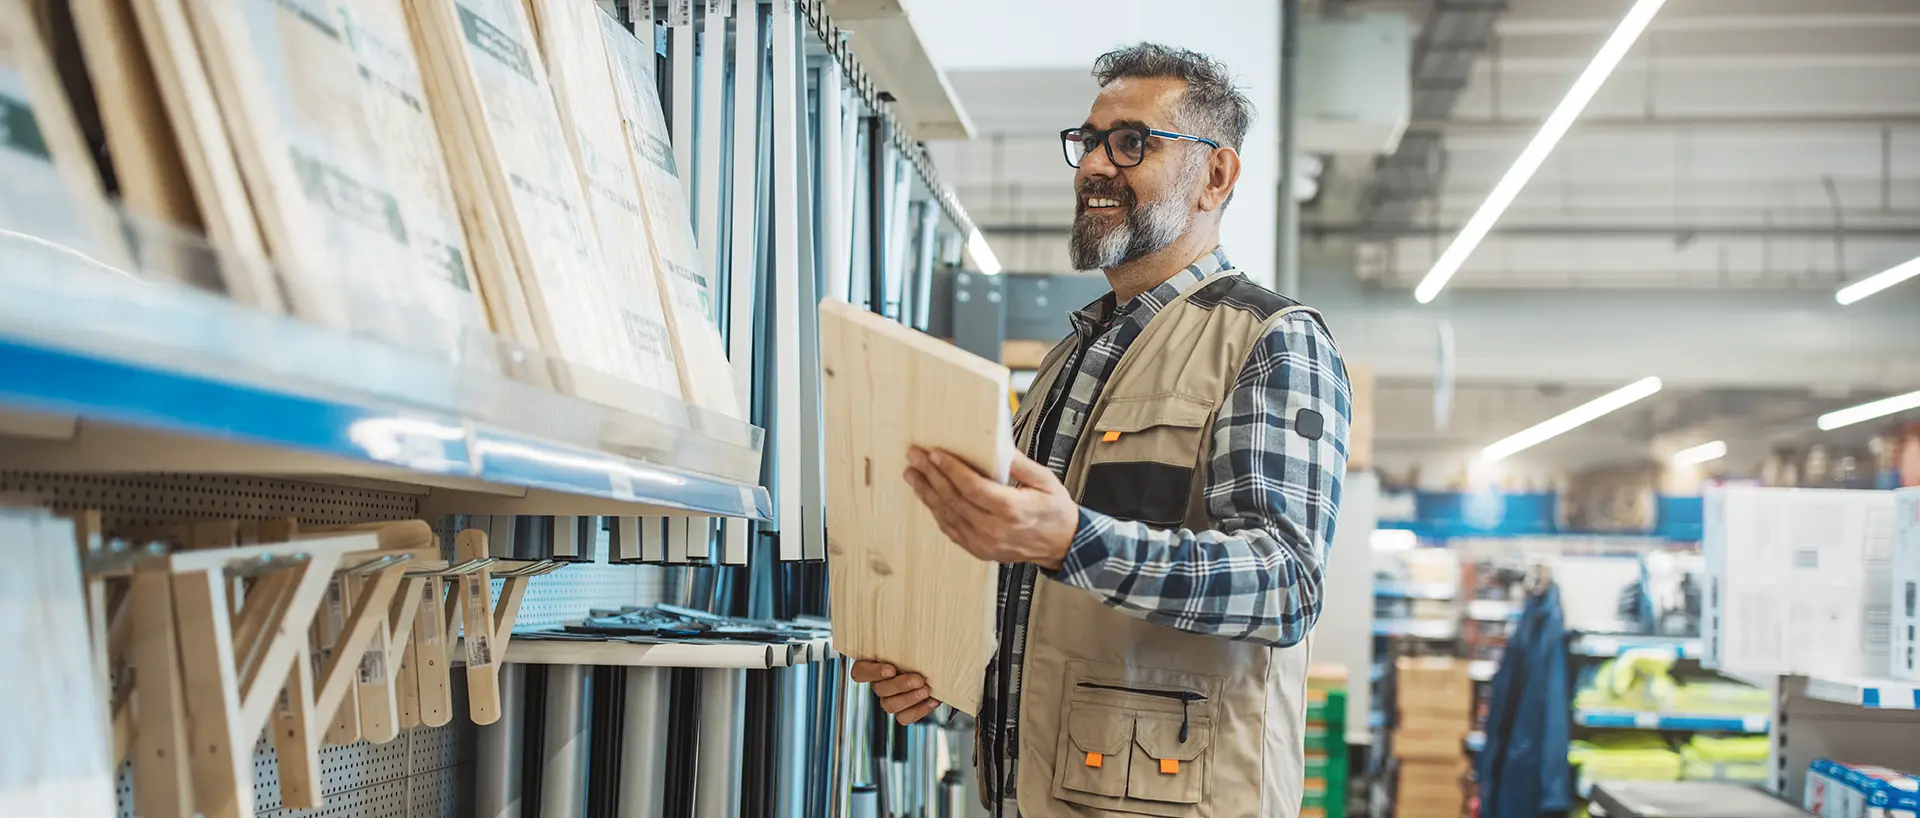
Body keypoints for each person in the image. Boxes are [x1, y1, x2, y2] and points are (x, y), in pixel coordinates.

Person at [851, 42, 1352, 817]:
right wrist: (951, 684)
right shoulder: (1065, 362)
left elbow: (1285, 584)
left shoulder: (1269, 341)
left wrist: (1070, 539)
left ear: (1214, 177)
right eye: (1088, 141)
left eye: (1132, 143)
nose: (1094, 166)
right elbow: (1048, 618)